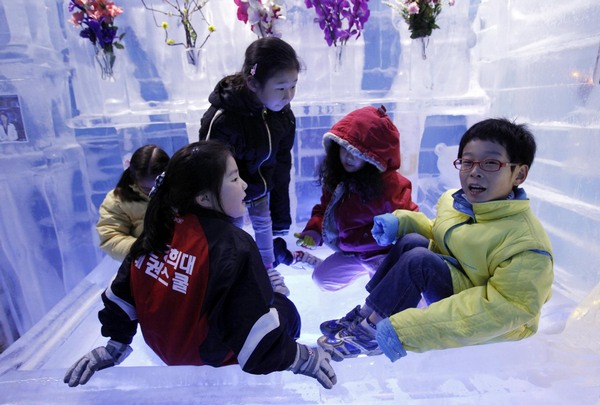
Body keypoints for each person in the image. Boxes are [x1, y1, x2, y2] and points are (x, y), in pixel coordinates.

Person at [64, 141, 336, 389]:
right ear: (204, 198)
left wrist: (114, 346)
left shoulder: (158, 228)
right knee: (284, 307)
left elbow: (120, 294)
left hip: (164, 350)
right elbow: (254, 349)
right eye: (233, 178)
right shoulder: (234, 244)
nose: (244, 185)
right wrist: (301, 357)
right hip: (205, 358)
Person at [317, 118, 554, 361]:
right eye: (468, 162)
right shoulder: (456, 201)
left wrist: (403, 331)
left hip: (496, 316)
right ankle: (368, 314)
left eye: (491, 163)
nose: (475, 172)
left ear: (519, 174)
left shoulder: (528, 246)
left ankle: (372, 333)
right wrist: (403, 223)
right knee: (411, 241)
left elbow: (507, 310)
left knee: (419, 260)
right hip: (461, 280)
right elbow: (442, 231)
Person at [274, 106, 418, 292]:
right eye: (345, 149)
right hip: (353, 253)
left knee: (386, 296)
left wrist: (393, 256)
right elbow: (325, 210)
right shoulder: (339, 178)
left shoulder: (391, 187)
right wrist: (314, 232)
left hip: (382, 255)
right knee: (322, 279)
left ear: (373, 158)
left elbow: (409, 222)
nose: (348, 158)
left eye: (358, 153)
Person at [198, 37, 300, 296]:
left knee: (265, 225)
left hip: (259, 189)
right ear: (253, 83)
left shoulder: (282, 113)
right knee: (232, 233)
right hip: (229, 195)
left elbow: (282, 163)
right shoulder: (224, 118)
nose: (288, 96)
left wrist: (282, 216)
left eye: (293, 86)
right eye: (280, 88)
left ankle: (267, 268)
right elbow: (209, 169)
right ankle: (234, 274)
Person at [96, 144, 170, 262]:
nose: (153, 192)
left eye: (159, 186)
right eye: (147, 189)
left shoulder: (182, 192)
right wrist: (141, 248)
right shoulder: (117, 200)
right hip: (146, 264)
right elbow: (110, 238)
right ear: (134, 178)